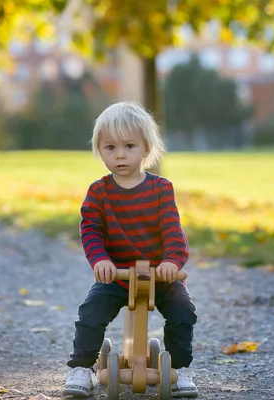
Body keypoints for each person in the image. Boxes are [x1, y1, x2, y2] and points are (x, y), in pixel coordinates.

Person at [63, 101, 198, 398]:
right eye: (110, 147)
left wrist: (172, 262)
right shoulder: (99, 191)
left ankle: (179, 369)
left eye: (129, 146)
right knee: (90, 312)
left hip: (159, 276)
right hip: (117, 275)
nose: (120, 154)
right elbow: (91, 230)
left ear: (146, 149)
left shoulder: (161, 189)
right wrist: (100, 261)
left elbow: (173, 231)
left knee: (183, 310)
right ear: (100, 150)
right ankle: (82, 368)